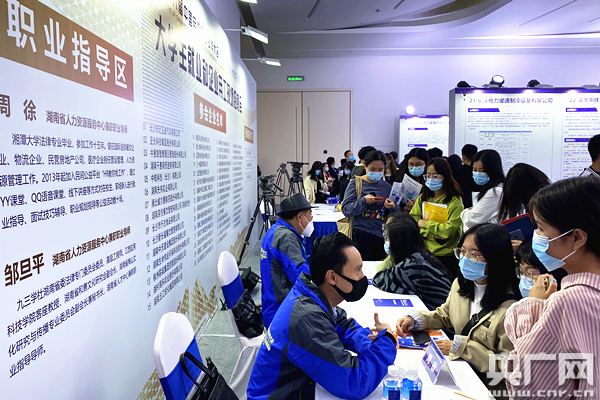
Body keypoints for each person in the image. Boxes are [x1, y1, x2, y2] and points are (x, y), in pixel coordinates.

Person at [247, 232, 397, 400]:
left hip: (298, 386)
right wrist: (387, 341)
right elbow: (355, 382)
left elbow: (345, 326)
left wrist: (370, 346)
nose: (363, 276)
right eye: (357, 270)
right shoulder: (307, 318)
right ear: (332, 277)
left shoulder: (312, 294)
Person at [503, 176, 600, 398]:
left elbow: (530, 387)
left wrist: (532, 306)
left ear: (577, 237)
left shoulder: (569, 301)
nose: (536, 236)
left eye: (541, 228)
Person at [396, 224, 519, 379]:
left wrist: (463, 348)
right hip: (459, 370)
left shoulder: (513, 309)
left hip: (486, 384)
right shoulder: (462, 285)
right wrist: (415, 320)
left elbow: (509, 366)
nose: (465, 258)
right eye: (462, 251)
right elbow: (445, 314)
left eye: (474, 254)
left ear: (496, 258)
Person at [373, 213, 453, 310]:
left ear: (398, 242)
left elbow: (379, 279)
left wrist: (392, 254)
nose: (386, 242)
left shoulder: (411, 266)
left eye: (387, 239)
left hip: (442, 315)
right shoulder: (422, 254)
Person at [260, 193, 315, 328]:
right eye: (310, 215)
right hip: (282, 314)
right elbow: (301, 276)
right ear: (300, 216)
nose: (311, 219)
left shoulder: (274, 231)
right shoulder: (286, 238)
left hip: (271, 306)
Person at [409, 158, 464, 277]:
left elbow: (447, 232)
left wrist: (425, 224)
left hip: (446, 256)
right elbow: (412, 223)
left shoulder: (455, 201)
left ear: (445, 177)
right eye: (428, 175)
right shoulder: (423, 198)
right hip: (424, 252)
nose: (430, 179)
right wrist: (433, 234)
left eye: (435, 176)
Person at [342, 150, 401, 261]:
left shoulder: (387, 187)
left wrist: (392, 207)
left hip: (382, 236)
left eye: (380, 170)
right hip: (360, 235)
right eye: (373, 169)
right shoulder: (356, 183)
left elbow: (397, 213)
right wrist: (364, 201)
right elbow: (346, 209)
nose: (376, 172)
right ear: (365, 167)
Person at [461, 149, 504, 231]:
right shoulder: (488, 189)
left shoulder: (495, 192)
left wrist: (464, 212)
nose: (478, 173)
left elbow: (470, 220)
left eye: (483, 170)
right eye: (475, 170)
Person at [395, 147, 430, 213]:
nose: (414, 167)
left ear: (426, 164)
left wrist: (419, 204)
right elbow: (395, 202)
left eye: (418, 164)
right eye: (411, 164)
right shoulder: (401, 180)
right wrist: (403, 208)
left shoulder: (430, 182)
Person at [452, 144, 478, 208]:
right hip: (476, 204)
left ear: (463, 157)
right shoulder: (478, 173)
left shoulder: (455, 172)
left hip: (459, 205)